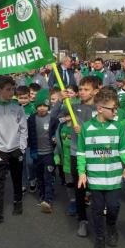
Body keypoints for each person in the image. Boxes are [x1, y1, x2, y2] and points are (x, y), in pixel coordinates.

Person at [76, 88, 125, 248]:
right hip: (95, 179)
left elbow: (124, 150)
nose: (116, 112)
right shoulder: (86, 128)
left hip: (115, 178)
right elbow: (81, 153)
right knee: (97, 209)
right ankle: (99, 238)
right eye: (113, 109)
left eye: (116, 108)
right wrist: (82, 172)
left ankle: (111, 227)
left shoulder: (118, 127)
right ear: (100, 109)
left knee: (114, 207)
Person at [53, 76, 100, 233]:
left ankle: (99, 217)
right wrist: (60, 99)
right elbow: (54, 117)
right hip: (76, 153)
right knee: (79, 188)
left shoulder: (101, 109)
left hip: (95, 154)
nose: (82, 92)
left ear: (96, 91)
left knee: (96, 190)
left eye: (86, 89)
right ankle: (82, 220)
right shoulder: (72, 106)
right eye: (80, 89)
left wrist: (85, 131)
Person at [0, 76, 27, 223]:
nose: (11, 92)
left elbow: (23, 129)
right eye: (8, 89)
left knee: (16, 177)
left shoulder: (17, 108)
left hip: (15, 149)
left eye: (13, 89)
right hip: (0, 150)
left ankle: (17, 202)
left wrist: (22, 147)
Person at [28, 89, 55, 213]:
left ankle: (48, 200)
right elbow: (28, 134)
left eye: (45, 105)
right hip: (36, 153)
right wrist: (31, 149)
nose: (42, 108)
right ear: (36, 106)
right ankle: (42, 196)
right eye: (39, 106)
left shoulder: (52, 119)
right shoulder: (32, 119)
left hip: (49, 153)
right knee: (39, 177)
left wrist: (55, 139)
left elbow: (56, 133)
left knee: (48, 177)